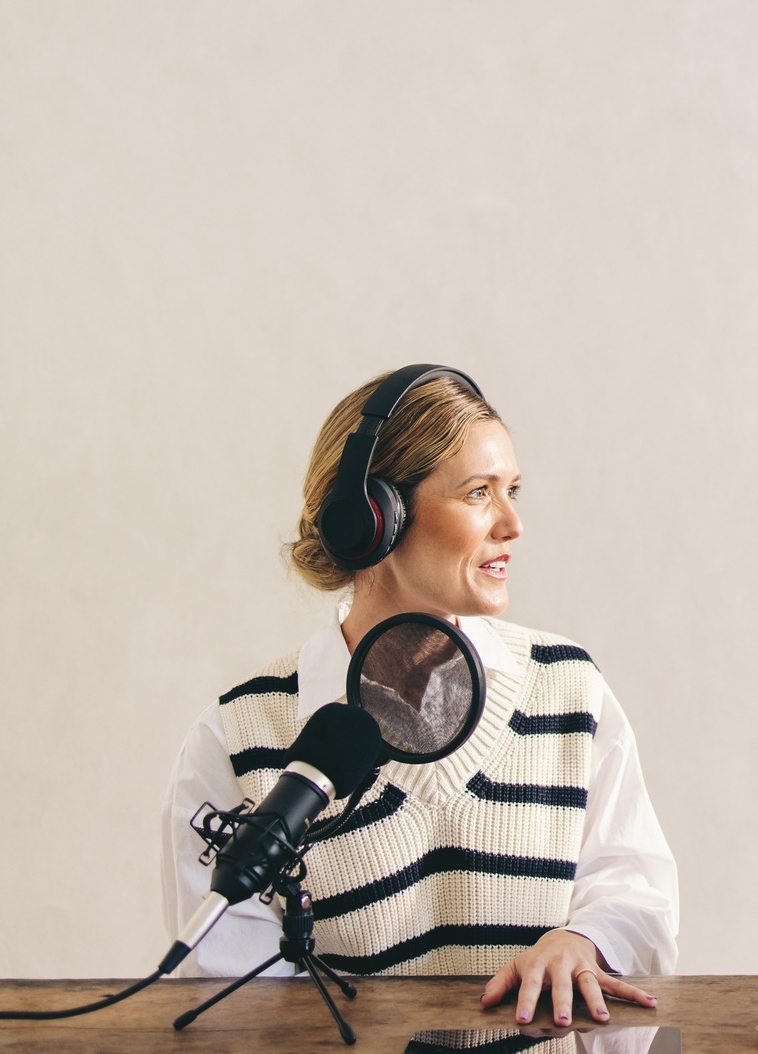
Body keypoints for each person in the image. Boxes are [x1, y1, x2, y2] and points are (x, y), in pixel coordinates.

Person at [161, 367, 678, 1028]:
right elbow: (226, 1005)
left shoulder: (569, 690)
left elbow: (639, 891)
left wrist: (587, 939)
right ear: (371, 519)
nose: (514, 523)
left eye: (513, 491)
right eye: (478, 493)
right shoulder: (238, 741)